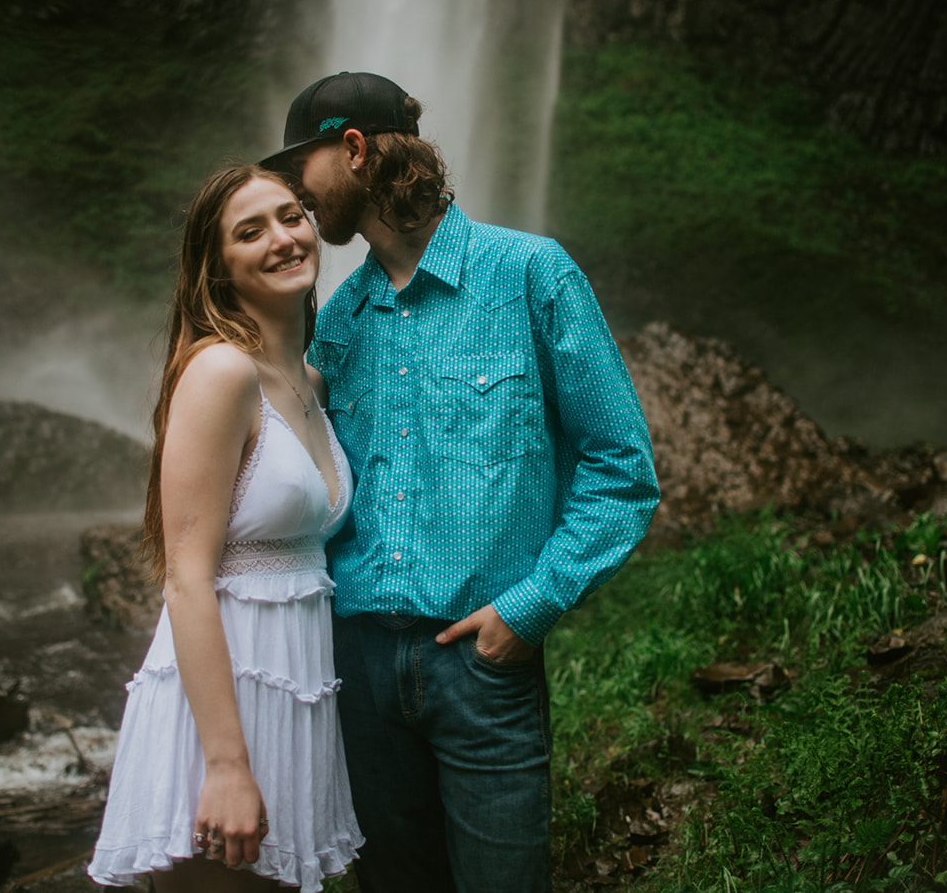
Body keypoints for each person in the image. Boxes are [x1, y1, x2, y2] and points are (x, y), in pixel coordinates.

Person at [260, 72, 661, 893]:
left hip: (482, 666)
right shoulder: (337, 325)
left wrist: (531, 607)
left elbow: (623, 469)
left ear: (355, 149)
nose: (295, 195)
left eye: (302, 168)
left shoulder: (531, 276)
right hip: (359, 667)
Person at [88, 164, 364, 892]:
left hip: (292, 692)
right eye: (252, 231)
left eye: (291, 215)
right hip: (224, 709)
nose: (284, 237)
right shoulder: (220, 374)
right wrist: (227, 767)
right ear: (218, 271)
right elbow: (186, 578)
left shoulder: (311, 383)